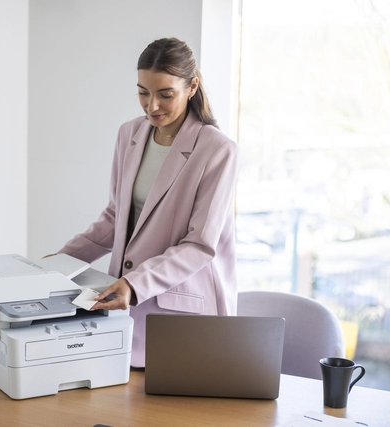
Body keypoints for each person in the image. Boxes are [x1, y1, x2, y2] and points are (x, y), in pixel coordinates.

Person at [56, 37, 239, 368]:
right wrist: (58, 263)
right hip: (124, 307)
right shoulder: (129, 135)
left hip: (181, 316)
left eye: (165, 95)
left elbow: (199, 245)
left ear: (192, 87)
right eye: (143, 92)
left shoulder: (217, 150)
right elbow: (115, 218)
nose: (151, 105)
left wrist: (134, 283)